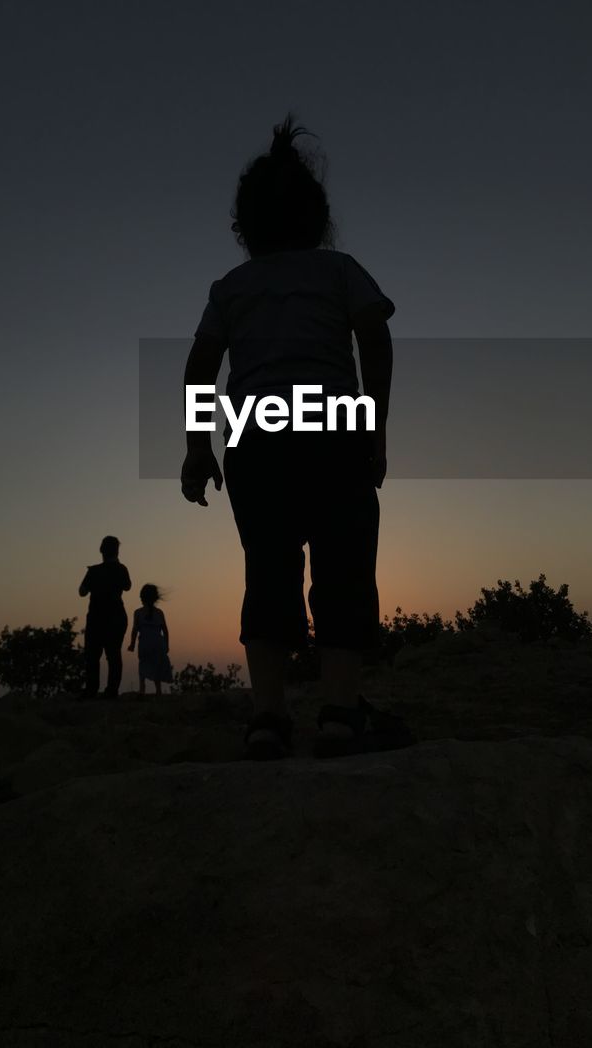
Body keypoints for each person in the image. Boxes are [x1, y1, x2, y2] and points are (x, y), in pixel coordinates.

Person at [180, 113, 414, 761]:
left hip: (257, 442)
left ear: (244, 228)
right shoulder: (340, 272)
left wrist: (200, 445)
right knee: (344, 570)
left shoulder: (230, 289)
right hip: (334, 432)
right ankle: (339, 713)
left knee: (269, 573)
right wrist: (376, 423)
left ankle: (267, 718)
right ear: (318, 219)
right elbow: (375, 334)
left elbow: (202, 366)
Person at [78, 536, 131, 699]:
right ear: (117, 551)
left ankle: (91, 690)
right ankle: (111, 691)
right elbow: (127, 586)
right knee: (113, 655)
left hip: (96, 618)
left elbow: (82, 591)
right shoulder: (121, 569)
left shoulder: (93, 571)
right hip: (116, 617)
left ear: (101, 551)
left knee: (93, 656)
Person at [127, 584, 172, 696]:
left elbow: (134, 630)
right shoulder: (159, 613)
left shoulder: (138, 612)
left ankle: (142, 688)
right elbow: (165, 631)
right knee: (156, 665)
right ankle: (158, 690)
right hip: (158, 643)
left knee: (143, 664)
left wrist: (132, 644)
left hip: (145, 643)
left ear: (142, 598)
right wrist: (166, 644)